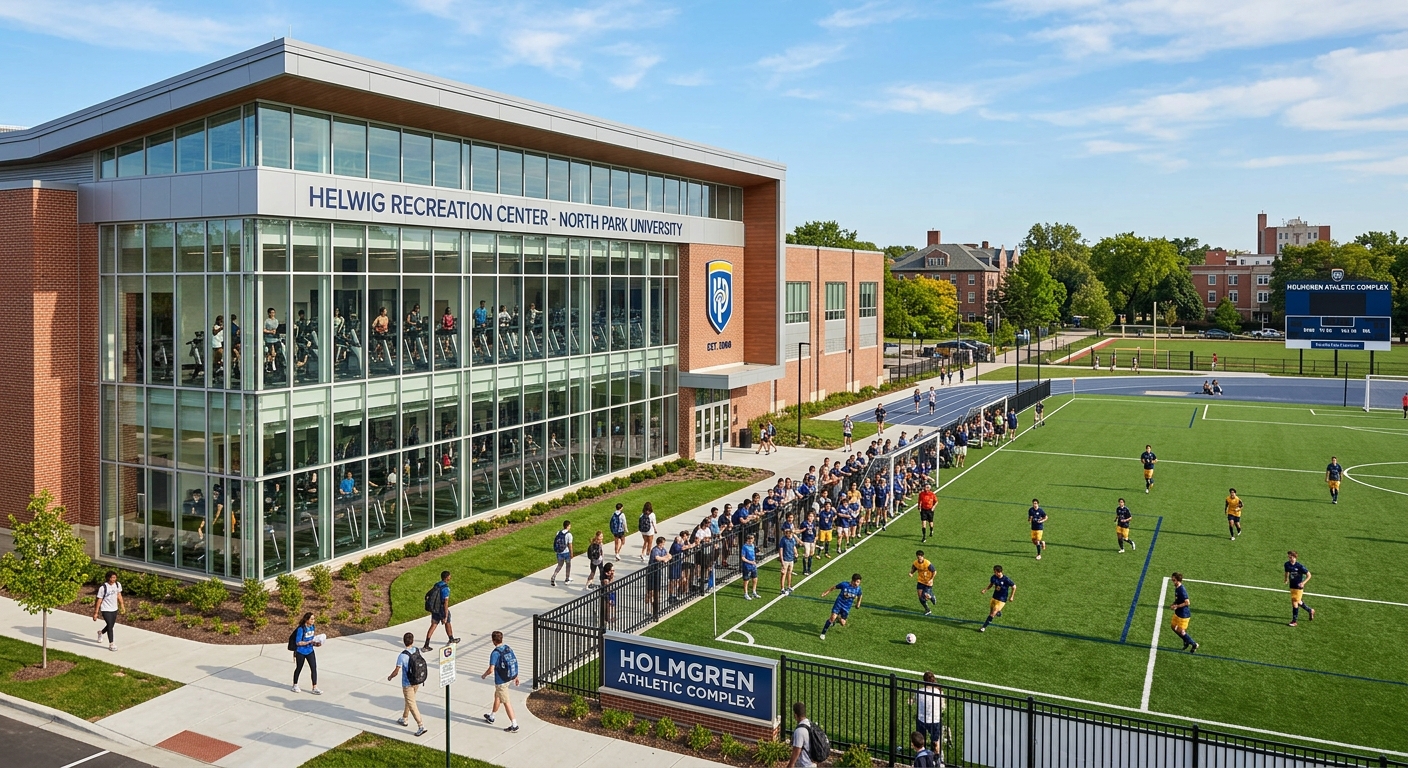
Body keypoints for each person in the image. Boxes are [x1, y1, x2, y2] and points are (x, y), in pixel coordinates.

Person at [388, 632, 428, 736]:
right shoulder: (417, 650)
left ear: (404, 641)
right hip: (417, 681)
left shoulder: (402, 656)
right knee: (409, 700)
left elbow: (397, 670)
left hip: (407, 683)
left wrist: (390, 677)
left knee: (412, 703)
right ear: (413, 641)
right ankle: (404, 718)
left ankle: (421, 726)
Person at [481, 630, 521, 732]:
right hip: (509, 678)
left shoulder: (495, 653)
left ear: (493, 641)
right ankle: (492, 716)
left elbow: (491, 669)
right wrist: (516, 676)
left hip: (501, 682)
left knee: (506, 702)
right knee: (497, 696)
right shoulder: (508, 648)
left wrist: (484, 675)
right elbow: (513, 662)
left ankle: (514, 724)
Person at [819, 573, 863, 640]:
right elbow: (834, 587)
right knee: (832, 618)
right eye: (857, 582)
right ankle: (823, 633)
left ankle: (838, 619)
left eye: (859, 582)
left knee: (843, 623)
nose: (858, 584)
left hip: (846, 608)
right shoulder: (844, 584)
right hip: (838, 604)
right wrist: (826, 593)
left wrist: (858, 603)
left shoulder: (858, 589)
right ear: (853, 581)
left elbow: (860, 596)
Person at [423, 570, 459, 649]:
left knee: (433, 625)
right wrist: (445, 615)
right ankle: (451, 639)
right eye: (449, 576)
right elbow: (446, 601)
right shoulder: (446, 588)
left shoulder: (437, 584)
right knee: (448, 622)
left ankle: (426, 644)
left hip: (435, 608)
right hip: (442, 608)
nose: (450, 577)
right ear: (446, 578)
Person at [913, 670, 944, 757]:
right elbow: (942, 706)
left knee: (920, 740)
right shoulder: (939, 692)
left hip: (921, 719)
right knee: (935, 741)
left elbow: (914, 701)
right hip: (935, 719)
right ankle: (937, 758)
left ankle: (921, 756)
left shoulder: (919, 691)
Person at [291, 611, 322, 694]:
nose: (313, 621)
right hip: (301, 652)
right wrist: (309, 642)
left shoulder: (312, 627)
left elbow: (311, 640)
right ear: (306, 620)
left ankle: (314, 687)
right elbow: (298, 642)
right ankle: (295, 685)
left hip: (310, 651)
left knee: (313, 668)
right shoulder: (301, 629)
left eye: (314, 619)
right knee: (299, 668)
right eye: (311, 619)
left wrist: (316, 644)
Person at [92, 570, 124, 651]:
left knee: (111, 625)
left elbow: (119, 595)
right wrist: (96, 613)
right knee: (110, 626)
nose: (114, 579)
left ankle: (100, 632)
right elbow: (99, 600)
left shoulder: (117, 585)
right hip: (105, 609)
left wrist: (122, 605)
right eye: (112, 577)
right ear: (108, 578)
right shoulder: (103, 588)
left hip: (114, 608)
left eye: (115, 577)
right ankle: (111, 644)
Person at [1168, 572, 1199, 652]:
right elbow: (1178, 600)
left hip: (1183, 615)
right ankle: (1185, 640)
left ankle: (1194, 644)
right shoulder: (1177, 588)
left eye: (1174, 580)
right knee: (1173, 626)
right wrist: (1173, 604)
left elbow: (1187, 602)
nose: (1173, 582)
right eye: (1172, 580)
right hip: (1178, 613)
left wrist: (1177, 606)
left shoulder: (1182, 590)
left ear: (1178, 580)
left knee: (1181, 631)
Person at [1284, 551, 1316, 627]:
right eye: (1288, 557)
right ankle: (1310, 610)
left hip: (1299, 587)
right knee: (1298, 601)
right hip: (1292, 586)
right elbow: (1286, 572)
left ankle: (1294, 621)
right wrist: (1286, 579)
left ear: (1295, 557)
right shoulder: (1287, 564)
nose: (1289, 558)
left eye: (1291, 557)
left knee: (1295, 602)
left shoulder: (1300, 566)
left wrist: (1303, 583)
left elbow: (1309, 575)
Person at [978, 565, 1014, 632]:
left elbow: (1014, 587)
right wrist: (985, 589)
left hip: (1002, 599)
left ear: (1001, 572)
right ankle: (998, 611)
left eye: (997, 572)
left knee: (992, 614)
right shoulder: (993, 577)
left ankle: (983, 627)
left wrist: (1011, 596)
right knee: (991, 613)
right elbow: (991, 584)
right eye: (995, 572)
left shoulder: (1006, 579)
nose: (996, 574)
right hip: (994, 597)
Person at [788, 701, 816, 768]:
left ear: (795, 715)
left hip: (804, 765)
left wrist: (790, 765)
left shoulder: (799, 731)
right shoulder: (810, 724)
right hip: (811, 763)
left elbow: (797, 750)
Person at [911, 550, 937, 616]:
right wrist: (911, 573)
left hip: (928, 582)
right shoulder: (915, 562)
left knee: (925, 595)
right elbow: (914, 568)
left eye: (920, 557)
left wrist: (931, 579)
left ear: (923, 556)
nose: (919, 559)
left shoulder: (927, 563)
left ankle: (932, 597)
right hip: (920, 581)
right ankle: (927, 609)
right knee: (920, 597)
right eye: (918, 557)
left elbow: (934, 571)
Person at [550, 520, 574, 587]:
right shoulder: (569, 534)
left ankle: (554, 576)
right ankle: (567, 579)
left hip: (559, 552)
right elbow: (570, 545)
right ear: (568, 526)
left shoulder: (558, 532)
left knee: (559, 565)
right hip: (566, 553)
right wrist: (571, 553)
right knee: (568, 565)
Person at [778, 527, 798, 595]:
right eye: (788, 534)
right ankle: (782, 588)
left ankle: (789, 586)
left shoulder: (792, 539)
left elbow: (794, 547)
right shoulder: (783, 540)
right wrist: (782, 560)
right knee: (783, 574)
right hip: (786, 559)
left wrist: (796, 552)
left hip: (791, 559)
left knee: (789, 573)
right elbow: (781, 550)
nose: (789, 535)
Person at [741, 533, 760, 599]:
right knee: (746, 580)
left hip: (753, 565)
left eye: (752, 538)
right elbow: (743, 557)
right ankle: (745, 593)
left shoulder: (752, 545)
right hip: (747, 566)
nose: (751, 540)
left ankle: (754, 591)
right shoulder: (745, 547)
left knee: (755, 578)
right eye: (750, 538)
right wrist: (750, 562)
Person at [799, 511, 817, 575]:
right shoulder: (804, 523)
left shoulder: (813, 523)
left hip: (812, 540)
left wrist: (815, 539)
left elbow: (814, 531)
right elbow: (801, 530)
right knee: (806, 554)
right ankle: (804, 569)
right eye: (810, 516)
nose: (811, 518)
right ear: (807, 516)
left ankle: (809, 568)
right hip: (806, 540)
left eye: (812, 516)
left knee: (811, 554)